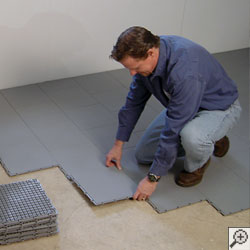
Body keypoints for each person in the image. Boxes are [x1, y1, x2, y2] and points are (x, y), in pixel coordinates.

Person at [105, 26, 241, 201]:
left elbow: (172, 130)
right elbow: (133, 103)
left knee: (192, 137)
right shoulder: (148, 55)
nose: (132, 73)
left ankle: (200, 158)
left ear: (151, 53)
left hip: (218, 108)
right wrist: (118, 145)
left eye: (136, 67)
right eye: (129, 68)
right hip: (183, 105)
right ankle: (211, 137)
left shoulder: (185, 71)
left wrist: (152, 178)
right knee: (143, 155)